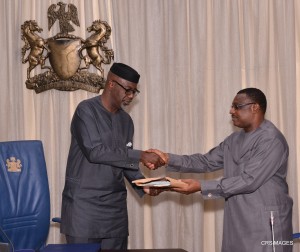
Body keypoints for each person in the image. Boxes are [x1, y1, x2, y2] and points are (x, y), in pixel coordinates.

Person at [147, 88, 293, 252]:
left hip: (265, 224)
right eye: (232, 106)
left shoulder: (272, 140)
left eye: (237, 106)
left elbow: (248, 180)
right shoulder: (234, 139)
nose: (231, 111)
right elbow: (206, 161)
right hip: (237, 222)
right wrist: (168, 158)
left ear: (255, 107)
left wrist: (201, 186)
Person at [60, 62, 164, 250]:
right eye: (128, 90)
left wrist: (144, 185)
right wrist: (141, 155)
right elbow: (95, 152)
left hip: (115, 211)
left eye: (134, 92)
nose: (131, 96)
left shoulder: (126, 121)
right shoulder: (85, 110)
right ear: (111, 84)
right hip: (84, 208)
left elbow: (124, 161)